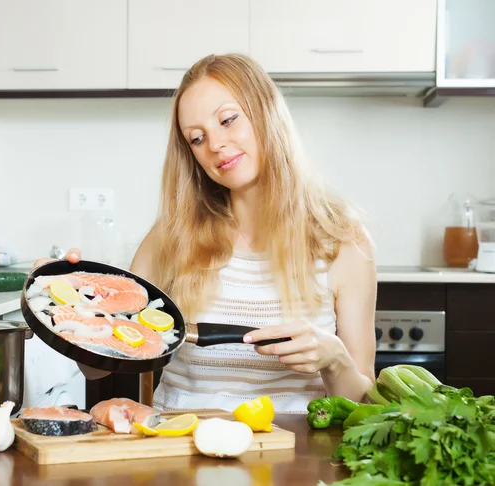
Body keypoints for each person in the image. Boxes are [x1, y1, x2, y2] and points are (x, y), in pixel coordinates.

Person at [34, 53, 377, 414]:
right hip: (180, 448)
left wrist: (335, 360)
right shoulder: (170, 238)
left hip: (294, 452)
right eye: (197, 139)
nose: (215, 145)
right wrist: (68, 312)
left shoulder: (343, 242)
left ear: (266, 112)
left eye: (228, 120)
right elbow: (99, 366)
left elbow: (362, 402)